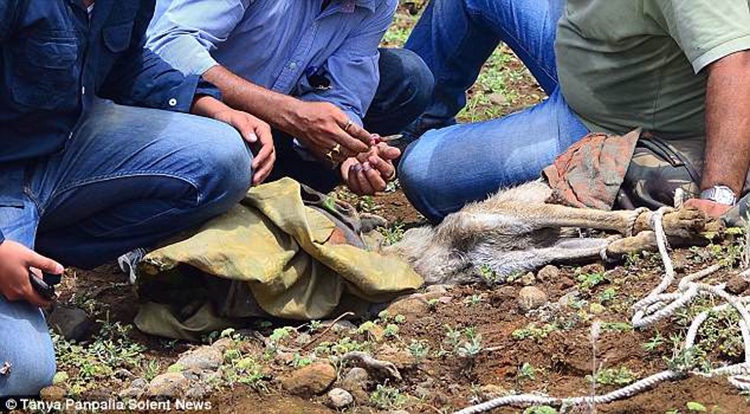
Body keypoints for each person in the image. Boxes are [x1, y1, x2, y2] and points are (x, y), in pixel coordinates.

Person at [0, 0, 278, 396]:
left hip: (68, 146)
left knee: (226, 159)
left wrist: (209, 104)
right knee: (20, 369)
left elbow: (127, 63)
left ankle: (35, 247)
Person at [398, 0, 750, 223]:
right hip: (590, 52)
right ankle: (400, 130)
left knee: (421, 169)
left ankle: (400, 153)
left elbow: (736, 63)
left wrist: (718, 195)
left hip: (606, 124)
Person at [146, 0, 434, 196]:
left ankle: (267, 192)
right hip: (178, 106)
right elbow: (167, 47)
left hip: (271, 126)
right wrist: (289, 112)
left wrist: (345, 150)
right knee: (220, 145)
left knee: (406, 78)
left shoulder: (378, 3)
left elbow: (344, 93)